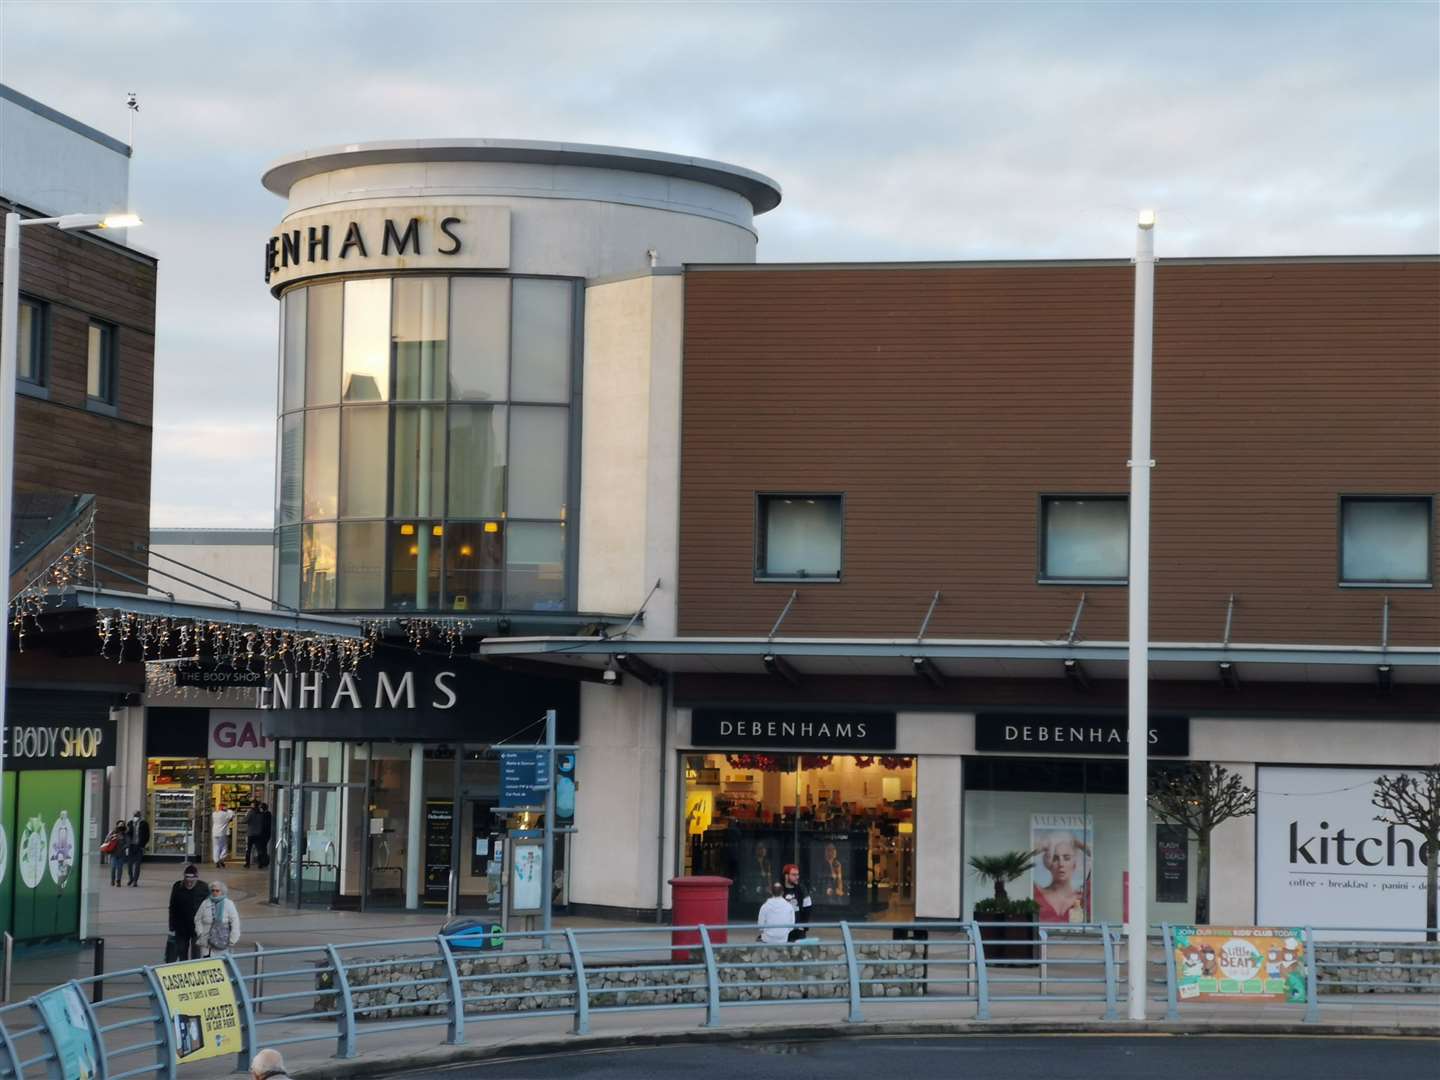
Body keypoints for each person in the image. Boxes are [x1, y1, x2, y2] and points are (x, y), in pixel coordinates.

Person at [1033, 829, 1090, 924]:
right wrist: (1042, 846)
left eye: (1066, 858)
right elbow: (1021, 860)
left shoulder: (1084, 896)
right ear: (1049, 864)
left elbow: (1098, 856)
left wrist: (1080, 844)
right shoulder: (1036, 892)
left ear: (1074, 864)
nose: (1061, 864)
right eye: (1055, 858)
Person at [168, 865, 208, 961]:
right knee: (182, 952)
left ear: (197, 877)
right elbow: (172, 906)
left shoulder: (203, 887)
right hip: (181, 927)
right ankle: (184, 969)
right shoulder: (177, 886)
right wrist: (171, 925)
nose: (189, 881)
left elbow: (209, 907)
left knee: (196, 953)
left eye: (192, 878)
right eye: (187, 878)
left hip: (197, 927)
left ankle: (195, 970)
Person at [194, 880, 241, 956]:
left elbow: (235, 921)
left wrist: (233, 939)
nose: (214, 892)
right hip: (206, 941)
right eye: (212, 890)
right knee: (207, 964)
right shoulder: (205, 903)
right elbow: (197, 919)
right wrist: (200, 932)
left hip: (222, 941)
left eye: (217, 890)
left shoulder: (228, 903)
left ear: (222, 891)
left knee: (221, 964)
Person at [780, 862, 812, 942]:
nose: (797, 877)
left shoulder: (802, 889)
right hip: (782, 930)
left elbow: (808, 908)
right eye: (794, 875)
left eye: (797, 874)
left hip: (798, 930)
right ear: (786, 876)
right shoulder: (780, 889)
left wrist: (803, 926)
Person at [124, 810, 150, 886]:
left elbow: (147, 835)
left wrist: (143, 845)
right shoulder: (130, 823)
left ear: (140, 816)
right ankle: (131, 878)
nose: (136, 817)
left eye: (137, 816)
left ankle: (135, 880)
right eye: (135, 816)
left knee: (137, 865)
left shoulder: (144, 824)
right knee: (129, 864)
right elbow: (127, 834)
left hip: (139, 846)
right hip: (131, 846)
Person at [212, 805, 236, 869]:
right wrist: (227, 809)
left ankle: (216, 861)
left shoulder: (214, 814)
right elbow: (233, 814)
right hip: (223, 833)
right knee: (224, 847)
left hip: (215, 832)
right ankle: (221, 859)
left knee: (216, 847)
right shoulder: (226, 814)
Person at [105, 820, 127, 887]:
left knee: (120, 868)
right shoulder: (112, 832)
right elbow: (106, 840)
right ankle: (112, 880)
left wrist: (124, 847)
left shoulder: (125, 834)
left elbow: (128, 842)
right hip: (113, 853)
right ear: (117, 825)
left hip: (121, 854)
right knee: (113, 868)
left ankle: (118, 881)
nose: (121, 827)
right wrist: (112, 837)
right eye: (119, 825)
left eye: (122, 825)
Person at [244, 804, 264, 868]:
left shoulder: (250, 813)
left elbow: (245, 820)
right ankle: (260, 863)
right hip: (258, 834)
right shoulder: (261, 814)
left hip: (250, 834)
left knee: (249, 849)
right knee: (259, 849)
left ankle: (247, 863)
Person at [257, 802, 274, 869]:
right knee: (263, 848)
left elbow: (264, 825)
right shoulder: (268, 814)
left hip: (263, 834)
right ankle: (264, 861)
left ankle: (262, 862)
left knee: (261, 848)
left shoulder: (265, 815)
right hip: (266, 834)